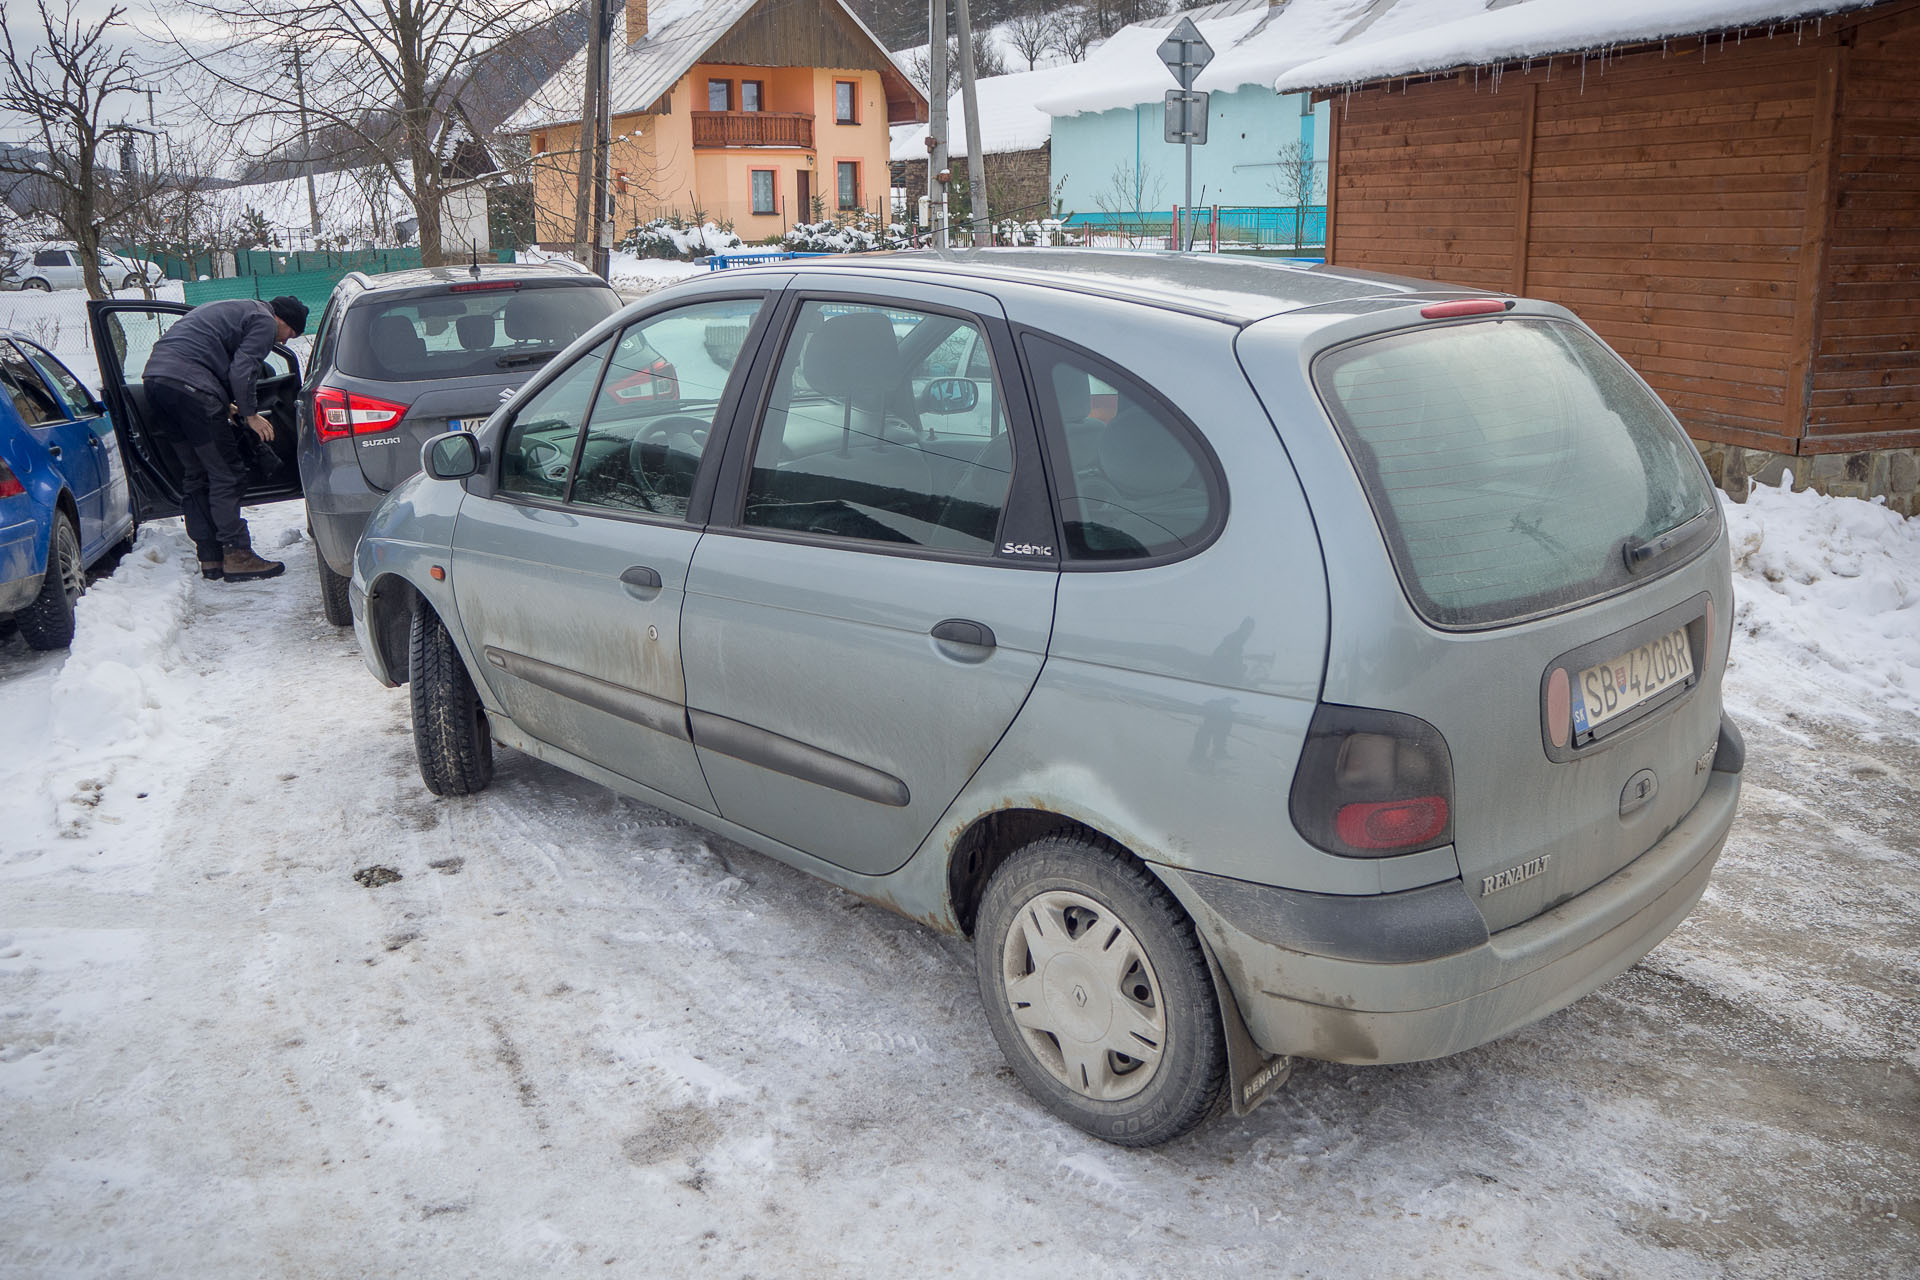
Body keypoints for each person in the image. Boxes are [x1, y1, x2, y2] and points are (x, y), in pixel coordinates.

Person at [141, 295, 308, 581]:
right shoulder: (265, 321)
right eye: (290, 334)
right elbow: (243, 367)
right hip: (193, 390)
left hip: (157, 384)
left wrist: (222, 402)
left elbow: (200, 355)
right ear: (283, 320)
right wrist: (250, 413)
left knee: (196, 473)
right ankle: (237, 554)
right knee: (226, 473)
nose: (284, 343)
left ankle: (210, 557)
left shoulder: (235, 309)